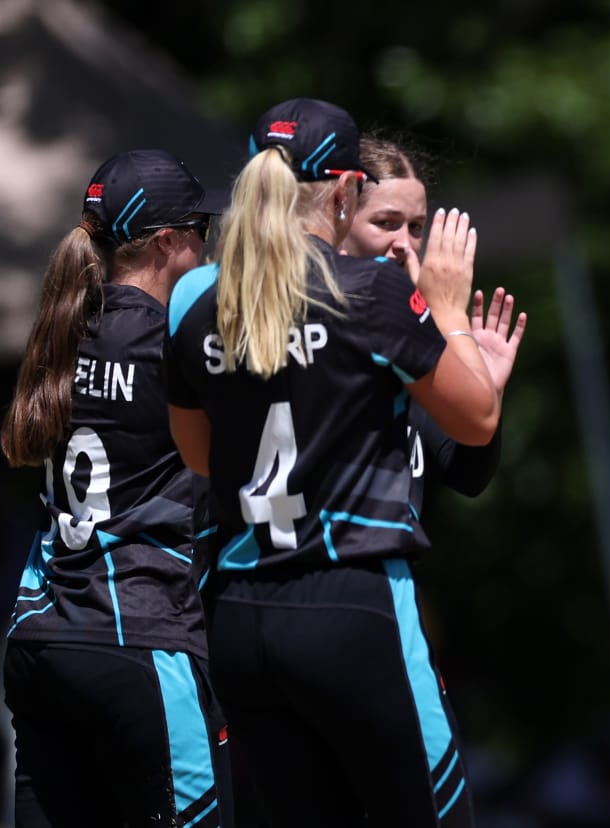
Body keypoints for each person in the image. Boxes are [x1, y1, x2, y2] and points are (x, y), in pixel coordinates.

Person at [163, 98, 500, 826]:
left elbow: (198, 454)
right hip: (351, 600)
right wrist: (446, 313)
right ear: (346, 190)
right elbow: (477, 421)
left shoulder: (193, 296)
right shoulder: (371, 291)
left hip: (240, 617)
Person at [0, 149, 231, 826]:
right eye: (202, 230)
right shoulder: (175, 340)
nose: (209, 246)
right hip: (138, 634)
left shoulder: (65, 329)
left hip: (40, 637)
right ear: (168, 242)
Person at [340, 135, 527, 512]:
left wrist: (483, 386)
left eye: (415, 227)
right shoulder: (321, 321)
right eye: (385, 223)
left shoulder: (410, 331)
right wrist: (448, 314)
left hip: (388, 566)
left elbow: (466, 475)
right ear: (339, 215)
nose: (404, 244)